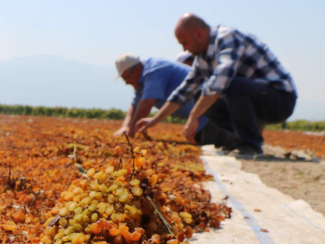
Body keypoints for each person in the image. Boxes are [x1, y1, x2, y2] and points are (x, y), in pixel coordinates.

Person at [137, 14, 297, 157]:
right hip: (256, 101)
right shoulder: (203, 58)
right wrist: (154, 120)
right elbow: (184, 91)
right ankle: (243, 139)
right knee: (201, 94)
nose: (184, 49)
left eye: (185, 43)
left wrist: (194, 115)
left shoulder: (227, 37)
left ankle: (251, 145)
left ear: (198, 34)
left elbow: (221, 80)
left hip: (279, 100)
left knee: (233, 85)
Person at [113, 54, 236, 147]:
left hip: (211, 114)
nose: (127, 82)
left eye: (127, 78)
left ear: (137, 69)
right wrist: (126, 126)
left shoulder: (154, 70)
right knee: (205, 140)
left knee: (230, 141)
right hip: (199, 122)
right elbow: (135, 105)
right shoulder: (140, 82)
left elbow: (146, 103)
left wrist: (131, 133)